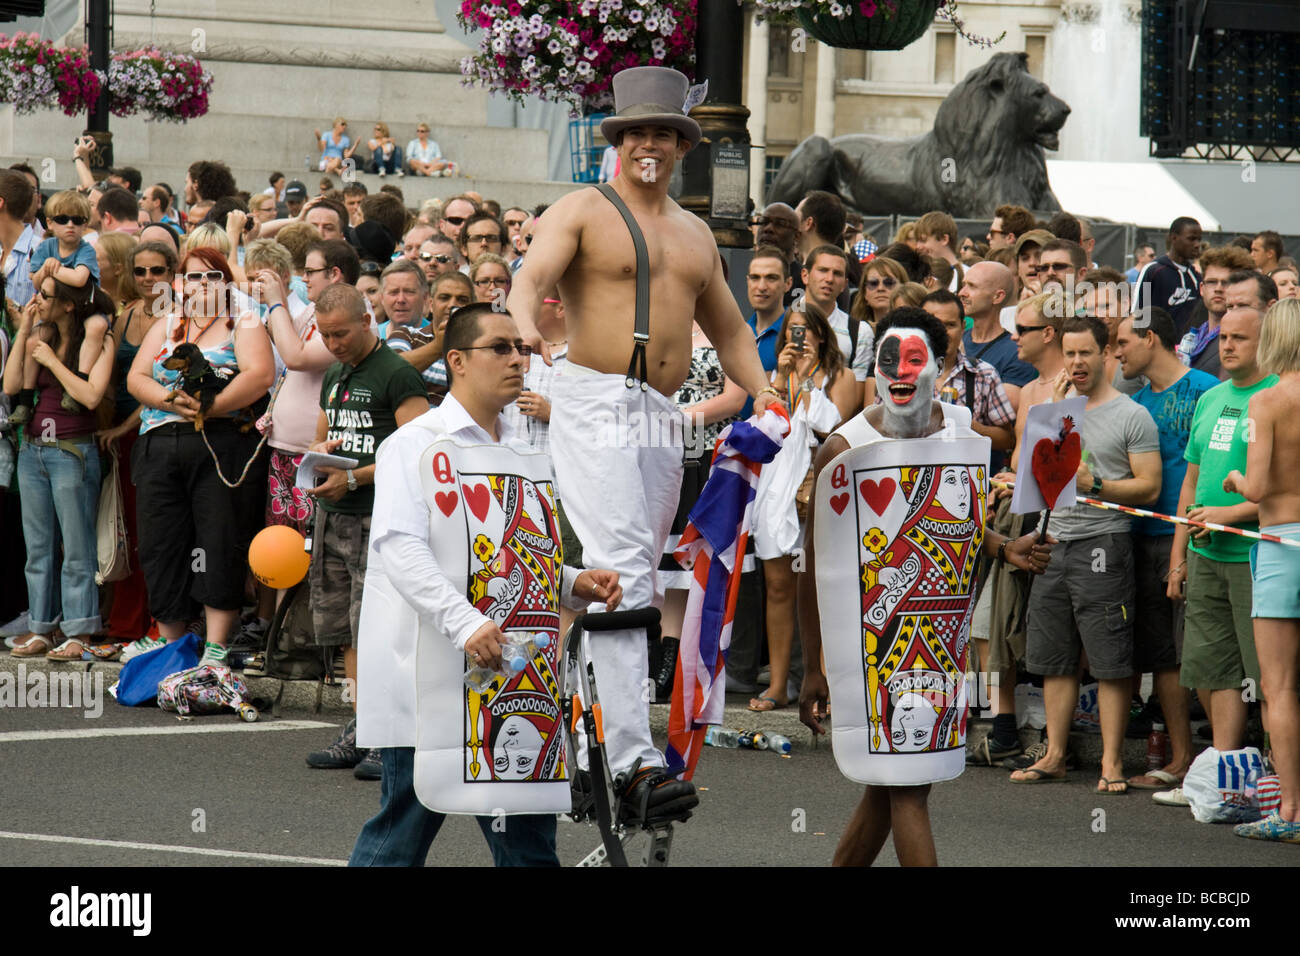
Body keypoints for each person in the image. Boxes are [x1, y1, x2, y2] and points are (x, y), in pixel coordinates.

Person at [506, 66, 779, 825]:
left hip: (662, 411)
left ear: (683, 143)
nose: (650, 142)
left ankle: (586, 743)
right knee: (621, 566)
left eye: (664, 131)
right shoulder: (582, 208)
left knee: (644, 578)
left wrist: (770, 393)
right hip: (591, 396)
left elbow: (729, 331)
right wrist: (527, 323)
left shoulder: (694, 233)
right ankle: (627, 758)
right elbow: (531, 278)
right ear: (619, 142)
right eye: (637, 132)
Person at [349, 302, 619, 865]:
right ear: (457, 361)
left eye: (521, 347)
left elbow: (510, 556)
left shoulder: (524, 451)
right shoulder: (415, 444)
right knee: (401, 834)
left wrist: (573, 583)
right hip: (430, 672)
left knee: (528, 845)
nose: (518, 358)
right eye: (500, 347)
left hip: (517, 675)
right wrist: (466, 622)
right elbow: (400, 548)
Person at [798, 307, 1053, 865]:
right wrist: (814, 668)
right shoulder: (844, 450)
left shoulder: (961, 430)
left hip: (940, 639)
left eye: (915, 359)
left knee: (893, 784)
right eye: (889, 359)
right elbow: (815, 569)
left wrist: (1002, 546)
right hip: (876, 646)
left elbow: (950, 522)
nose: (901, 372)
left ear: (941, 366)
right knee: (908, 787)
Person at [1008, 316, 1161, 795]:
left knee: (1109, 658)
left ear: (1107, 354)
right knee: (1053, 658)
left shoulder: (1132, 414)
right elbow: (1021, 468)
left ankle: (1112, 762)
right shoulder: (1052, 408)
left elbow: (1150, 486)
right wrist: (1051, 414)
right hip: (1052, 540)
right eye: (1069, 353)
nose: (1076, 362)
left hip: (1104, 543)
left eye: (1085, 353)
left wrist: (1099, 484)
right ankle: (1054, 755)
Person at [121, 248, 275, 666]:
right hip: (159, 441)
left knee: (218, 540)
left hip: (220, 444)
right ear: (180, 284)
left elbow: (261, 375)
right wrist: (170, 402)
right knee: (161, 542)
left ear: (226, 282)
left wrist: (212, 406)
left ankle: (216, 644)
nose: (202, 284)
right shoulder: (168, 322)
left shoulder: (243, 322)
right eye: (193, 277)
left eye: (212, 276)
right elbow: (136, 377)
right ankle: (170, 640)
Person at [302, 284, 429, 775]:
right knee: (344, 631)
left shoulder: (397, 374)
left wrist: (354, 475)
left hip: (380, 517)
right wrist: (323, 453)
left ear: (366, 320)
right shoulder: (335, 372)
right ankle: (361, 724)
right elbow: (320, 433)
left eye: (341, 333)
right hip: (335, 514)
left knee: (379, 627)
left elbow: (416, 449)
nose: (333, 343)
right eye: (326, 334)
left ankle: (389, 736)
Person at [1160, 304, 1277, 807]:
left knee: (1271, 681)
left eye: (1239, 339)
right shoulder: (1210, 397)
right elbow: (1190, 479)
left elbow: (1285, 491)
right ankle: (1227, 782)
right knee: (1214, 670)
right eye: (1223, 337)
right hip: (1205, 554)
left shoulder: (1278, 398)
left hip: (1259, 556)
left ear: (1266, 343)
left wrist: (1231, 516)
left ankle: (1280, 783)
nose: (1226, 346)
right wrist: (1177, 556)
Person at [1112, 308, 1218, 791]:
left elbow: (1208, 470)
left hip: (1196, 538)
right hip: (1140, 537)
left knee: (1199, 653)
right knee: (1163, 658)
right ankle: (1180, 759)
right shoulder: (1133, 400)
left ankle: (1225, 759)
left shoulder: (1205, 390)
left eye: (1123, 342)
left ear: (1150, 338)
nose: (1116, 352)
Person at [749, 301, 856, 712]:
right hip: (778, 489)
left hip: (818, 490)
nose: (800, 338)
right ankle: (778, 685)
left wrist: (807, 382)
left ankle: (826, 685)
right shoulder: (774, 377)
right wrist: (781, 376)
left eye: (806, 330)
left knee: (822, 589)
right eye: (793, 330)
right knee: (777, 586)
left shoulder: (840, 376)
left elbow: (834, 427)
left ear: (821, 334)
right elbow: (764, 425)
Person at [3, 280, 116, 658]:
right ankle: (42, 627)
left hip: (72, 451)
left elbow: (89, 395)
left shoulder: (99, 340)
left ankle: (80, 632)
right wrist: (24, 331)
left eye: (46, 295)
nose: (37, 300)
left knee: (77, 547)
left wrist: (52, 360)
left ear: (69, 305)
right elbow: (12, 384)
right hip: (34, 450)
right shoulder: (43, 333)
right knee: (38, 548)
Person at [1224, 298, 1300, 842]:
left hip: (1281, 542)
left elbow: (1255, 487)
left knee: (1278, 687)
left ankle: (1291, 810)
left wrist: (1230, 481)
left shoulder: (1267, 402)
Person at [95, 241, 176, 647]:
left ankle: (158, 624)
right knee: (125, 533)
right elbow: (111, 380)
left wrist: (123, 427)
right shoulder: (124, 316)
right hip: (123, 441)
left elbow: (160, 385)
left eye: (158, 271)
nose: (149, 279)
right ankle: (125, 624)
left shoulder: (181, 319)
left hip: (156, 432)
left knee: (156, 534)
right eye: (141, 271)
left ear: (172, 273)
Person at [389, 270, 474, 405]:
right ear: (431, 304)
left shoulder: (481, 347)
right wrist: (438, 346)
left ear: (472, 308)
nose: (452, 304)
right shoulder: (406, 335)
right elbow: (389, 373)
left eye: (462, 300)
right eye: (444, 297)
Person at [1178, 246, 1254, 380]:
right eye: (1212, 282)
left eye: (1226, 282)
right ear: (1202, 288)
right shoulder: (1195, 335)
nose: (1218, 289)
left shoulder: (1246, 337)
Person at [1134, 217, 1204, 335]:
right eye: (1191, 239)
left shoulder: (1196, 277)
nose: (1197, 244)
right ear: (1174, 238)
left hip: (1188, 350)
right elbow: (1138, 315)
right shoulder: (1152, 271)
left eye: (1199, 239)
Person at [850, 257, 909, 332]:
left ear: (904, 288)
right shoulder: (853, 332)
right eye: (873, 283)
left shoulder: (915, 330)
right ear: (864, 293)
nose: (880, 288)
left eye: (889, 283)